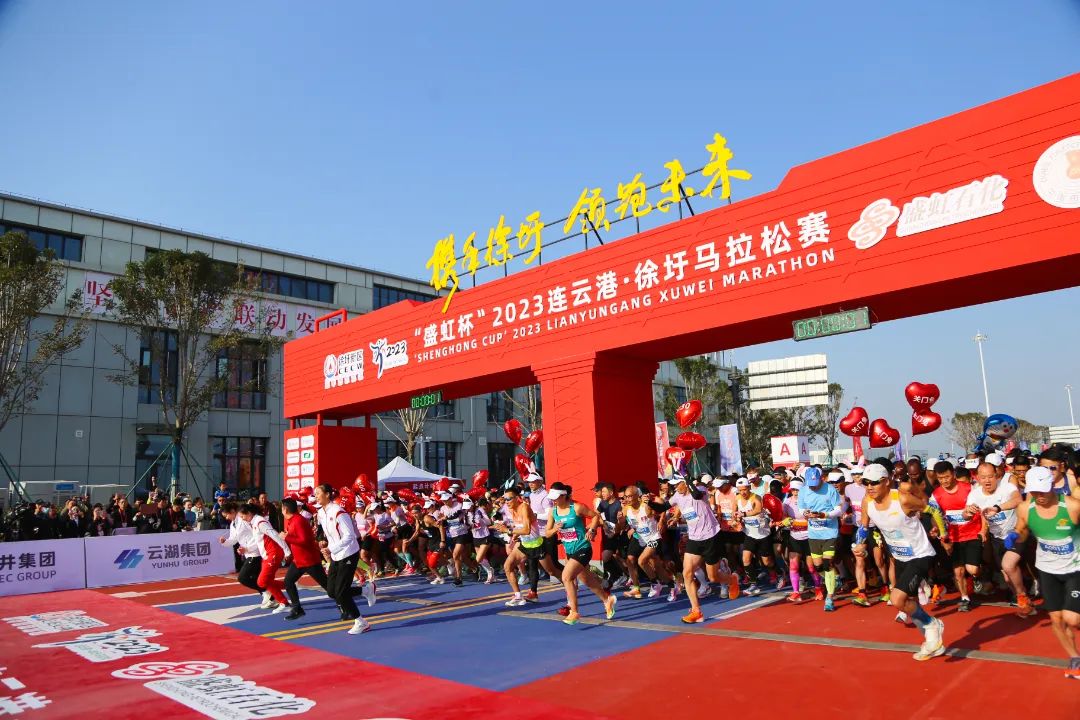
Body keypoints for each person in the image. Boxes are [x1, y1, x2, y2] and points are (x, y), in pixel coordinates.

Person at [858, 463, 945, 661]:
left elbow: (933, 510)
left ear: (886, 482)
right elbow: (863, 527)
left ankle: (932, 625)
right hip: (900, 556)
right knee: (907, 603)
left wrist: (943, 533)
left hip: (921, 554)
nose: (869, 487)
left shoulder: (903, 499)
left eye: (874, 483)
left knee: (896, 599)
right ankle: (932, 643)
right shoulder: (867, 502)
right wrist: (860, 544)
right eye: (866, 483)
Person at [1009, 466, 1080, 679]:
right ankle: (1075, 659)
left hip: (1075, 568)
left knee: (1072, 619)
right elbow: (1022, 531)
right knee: (1057, 619)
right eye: (1034, 491)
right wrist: (1014, 537)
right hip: (1047, 569)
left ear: (1052, 486)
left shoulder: (1072, 506)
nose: (1039, 495)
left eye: (1043, 490)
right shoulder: (1025, 508)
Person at [545, 482, 617, 625]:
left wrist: (592, 530)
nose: (553, 500)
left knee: (566, 577)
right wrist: (555, 529)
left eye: (556, 498)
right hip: (569, 551)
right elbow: (547, 533)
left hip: (583, 548)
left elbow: (595, 516)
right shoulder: (553, 512)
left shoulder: (576, 507)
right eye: (552, 498)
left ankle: (574, 612)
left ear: (563, 496)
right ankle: (607, 600)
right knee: (587, 580)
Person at [968, 462, 1034, 617]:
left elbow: (1018, 500)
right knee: (1006, 576)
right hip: (997, 538)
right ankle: (1022, 597)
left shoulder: (1007, 488)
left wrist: (998, 508)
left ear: (996, 476)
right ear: (978, 478)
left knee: (1009, 566)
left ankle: (1023, 595)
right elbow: (966, 514)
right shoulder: (975, 494)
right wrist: (968, 512)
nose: (987, 480)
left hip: (1016, 534)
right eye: (983, 477)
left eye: (990, 476)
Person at [314, 483, 371, 635]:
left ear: (327, 494)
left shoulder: (339, 512)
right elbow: (326, 532)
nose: (316, 496)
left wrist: (331, 548)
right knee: (332, 591)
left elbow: (350, 536)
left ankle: (361, 622)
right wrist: (323, 541)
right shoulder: (320, 513)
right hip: (336, 555)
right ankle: (365, 590)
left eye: (318, 493)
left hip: (349, 553)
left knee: (341, 592)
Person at [666, 474, 724, 624]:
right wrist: (649, 503)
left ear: (685, 482)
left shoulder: (700, 489)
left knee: (713, 577)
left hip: (711, 535)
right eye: (673, 485)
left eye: (677, 484)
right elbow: (663, 507)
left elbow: (697, 495)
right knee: (687, 573)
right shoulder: (677, 496)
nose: (675, 487)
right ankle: (696, 611)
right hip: (694, 539)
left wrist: (686, 476)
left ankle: (731, 578)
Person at [931, 460, 985, 612]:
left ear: (953, 474)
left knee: (972, 569)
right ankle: (964, 598)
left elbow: (982, 509)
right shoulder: (936, 495)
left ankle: (979, 576)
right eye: (940, 478)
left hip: (972, 533)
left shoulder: (969, 488)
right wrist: (936, 528)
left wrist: (983, 530)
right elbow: (935, 515)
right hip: (954, 537)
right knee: (958, 571)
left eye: (947, 477)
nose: (944, 481)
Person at [797, 467, 843, 612]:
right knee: (818, 566)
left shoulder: (830, 490)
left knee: (827, 564)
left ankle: (830, 598)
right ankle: (834, 579)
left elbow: (839, 510)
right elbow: (800, 508)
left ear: (821, 479)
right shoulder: (803, 491)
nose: (813, 486)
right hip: (814, 534)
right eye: (810, 484)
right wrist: (805, 513)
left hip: (830, 533)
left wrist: (824, 515)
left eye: (815, 483)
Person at [280, 497, 332, 620]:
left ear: (285, 509)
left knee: (330, 589)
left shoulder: (298, 520)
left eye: (282, 508)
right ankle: (297, 609)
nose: (281, 510)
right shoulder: (292, 520)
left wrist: (286, 537)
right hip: (299, 560)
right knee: (288, 582)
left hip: (309, 560)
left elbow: (304, 540)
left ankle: (361, 592)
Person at [495, 484, 544, 606]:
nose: (506, 502)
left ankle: (570, 584)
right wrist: (515, 534)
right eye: (504, 499)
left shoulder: (524, 507)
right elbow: (519, 526)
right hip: (525, 544)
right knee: (508, 566)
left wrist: (508, 531)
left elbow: (527, 530)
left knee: (553, 571)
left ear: (517, 498)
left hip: (537, 544)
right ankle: (518, 596)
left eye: (509, 499)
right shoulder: (511, 510)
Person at [239, 503, 291, 612]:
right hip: (267, 555)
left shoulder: (260, 522)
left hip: (273, 554)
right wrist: (246, 549)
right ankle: (289, 587)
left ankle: (284, 601)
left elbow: (275, 535)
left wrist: (286, 551)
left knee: (262, 582)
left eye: (242, 516)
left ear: (249, 513)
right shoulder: (254, 523)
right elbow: (258, 542)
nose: (242, 519)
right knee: (266, 581)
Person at [218, 501, 267, 607]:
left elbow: (256, 534)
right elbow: (233, 539)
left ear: (232, 511)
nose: (226, 518)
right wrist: (225, 542)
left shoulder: (243, 519)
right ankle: (270, 596)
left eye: (226, 515)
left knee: (243, 578)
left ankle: (267, 593)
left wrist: (248, 548)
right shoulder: (233, 524)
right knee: (257, 578)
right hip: (248, 553)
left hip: (255, 552)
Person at [735, 477, 776, 595]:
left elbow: (757, 510)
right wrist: (736, 521)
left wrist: (743, 514)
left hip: (763, 534)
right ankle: (753, 584)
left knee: (767, 562)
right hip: (749, 534)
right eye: (740, 490)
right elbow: (735, 514)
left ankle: (777, 573)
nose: (743, 492)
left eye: (745, 489)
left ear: (749, 488)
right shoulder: (737, 498)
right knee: (746, 559)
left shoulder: (756, 497)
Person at [526, 472, 564, 583]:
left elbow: (549, 515)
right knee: (533, 561)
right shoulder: (531, 495)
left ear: (540, 482)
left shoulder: (546, 496)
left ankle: (570, 578)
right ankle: (533, 590)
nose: (530, 484)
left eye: (533, 481)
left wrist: (534, 515)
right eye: (529, 482)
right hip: (536, 534)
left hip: (547, 533)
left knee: (553, 563)